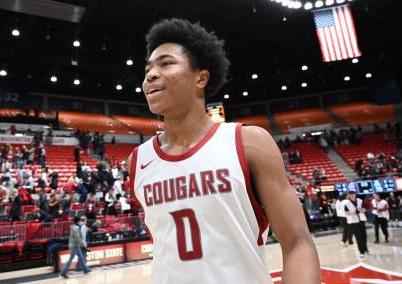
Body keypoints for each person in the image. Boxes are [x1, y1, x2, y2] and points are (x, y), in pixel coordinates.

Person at [127, 18, 320, 284]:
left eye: (166, 63)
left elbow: (298, 242)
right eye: (148, 68)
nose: (150, 75)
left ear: (201, 77)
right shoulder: (138, 160)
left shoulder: (248, 143)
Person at [342, 191, 369, 258]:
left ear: (355, 194)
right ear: (349, 195)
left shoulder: (360, 201)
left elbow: (365, 209)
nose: (352, 196)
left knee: (364, 236)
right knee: (358, 237)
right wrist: (354, 212)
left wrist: (362, 210)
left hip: (361, 219)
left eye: (353, 194)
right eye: (350, 195)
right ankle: (361, 252)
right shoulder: (346, 203)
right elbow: (346, 213)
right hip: (353, 221)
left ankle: (366, 249)